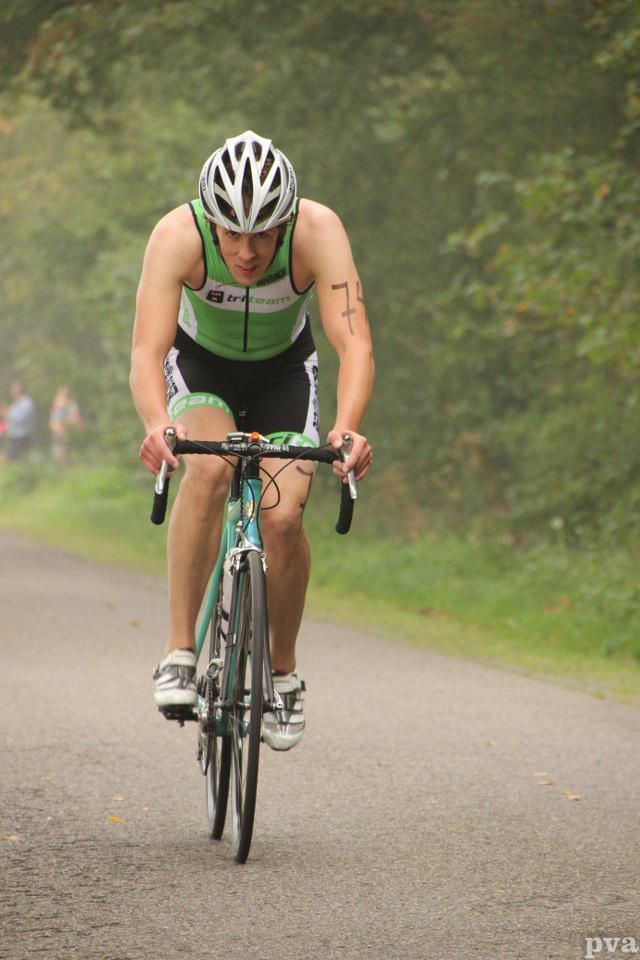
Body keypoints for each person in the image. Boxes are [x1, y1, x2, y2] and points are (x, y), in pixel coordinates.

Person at [130, 130, 374, 750]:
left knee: (284, 517)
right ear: (210, 223)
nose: (246, 251)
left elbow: (354, 343)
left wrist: (346, 426)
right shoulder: (176, 236)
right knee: (208, 472)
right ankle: (180, 651)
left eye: (263, 234)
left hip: (285, 375)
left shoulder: (318, 232)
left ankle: (283, 675)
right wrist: (157, 423)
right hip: (201, 370)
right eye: (232, 233)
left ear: (286, 221)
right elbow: (147, 350)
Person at [49, 385, 82, 467]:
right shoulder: (56, 405)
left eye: (65, 394)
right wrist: (55, 427)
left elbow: (76, 420)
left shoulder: (72, 404)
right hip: (57, 433)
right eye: (61, 394)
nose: (63, 396)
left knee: (67, 454)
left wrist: (65, 423)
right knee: (57, 454)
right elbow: (52, 420)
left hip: (69, 433)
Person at [5, 382, 36, 461]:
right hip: (13, 436)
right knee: (11, 458)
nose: (12, 394)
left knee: (20, 459)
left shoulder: (26, 402)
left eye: (13, 392)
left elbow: (20, 418)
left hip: (22, 436)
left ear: (19, 391)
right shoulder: (15, 403)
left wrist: (7, 413)